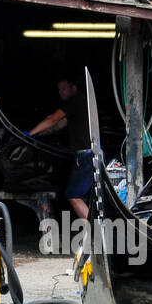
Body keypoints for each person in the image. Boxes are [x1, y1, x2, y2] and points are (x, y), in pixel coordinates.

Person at [29, 76, 92, 220]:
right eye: (59, 90)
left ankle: (97, 233)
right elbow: (57, 126)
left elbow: (53, 119)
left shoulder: (75, 100)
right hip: (88, 155)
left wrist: (31, 133)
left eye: (64, 88)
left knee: (73, 195)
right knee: (81, 195)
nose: (61, 92)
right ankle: (93, 232)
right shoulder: (81, 103)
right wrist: (39, 134)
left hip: (85, 155)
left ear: (73, 88)